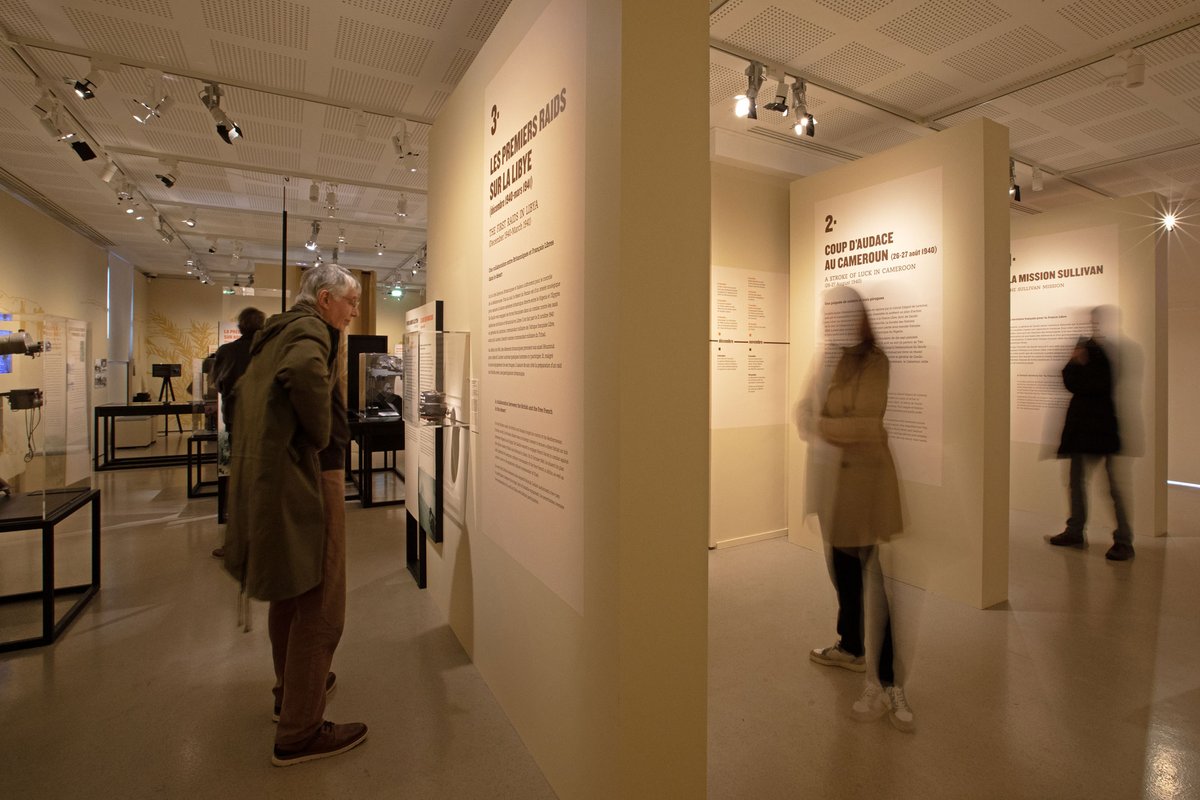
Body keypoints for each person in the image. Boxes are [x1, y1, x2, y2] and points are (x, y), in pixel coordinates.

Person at [222, 265, 367, 766]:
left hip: (275, 478)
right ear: (325, 299)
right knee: (323, 603)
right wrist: (321, 434)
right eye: (349, 302)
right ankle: (301, 731)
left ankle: (291, 691)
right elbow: (305, 375)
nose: (353, 312)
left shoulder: (277, 329)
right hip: (310, 475)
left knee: (291, 589)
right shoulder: (311, 330)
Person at [802, 286, 912, 732]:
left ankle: (888, 682)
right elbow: (802, 411)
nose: (830, 319)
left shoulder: (875, 360)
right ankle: (850, 647)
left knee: (874, 583)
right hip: (831, 482)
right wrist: (820, 422)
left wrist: (821, 424)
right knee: (841, 572)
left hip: (863, 486)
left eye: (838, 312)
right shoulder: (828, 356)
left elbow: (866, 423)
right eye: (826, 312)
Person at [1048, 306, 1134, 561]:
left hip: (1101, 429)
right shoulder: (1084, 346)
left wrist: (1081, 365)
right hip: (1081, 429)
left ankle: (1124, 541)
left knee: (1112, 488)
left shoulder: (1108, 353)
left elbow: (1100, 385)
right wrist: (1077, 363)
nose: (1094, 324)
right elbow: (1067, 379)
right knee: (1076, 482)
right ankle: (1075, 531)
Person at [209, 307, 265, 560]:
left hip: (236, 424)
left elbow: (218, 383)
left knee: (239, 483)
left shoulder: (227, 352)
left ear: (240, 327)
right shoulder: (269, 350)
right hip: (265, 424)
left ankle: (238, 543)